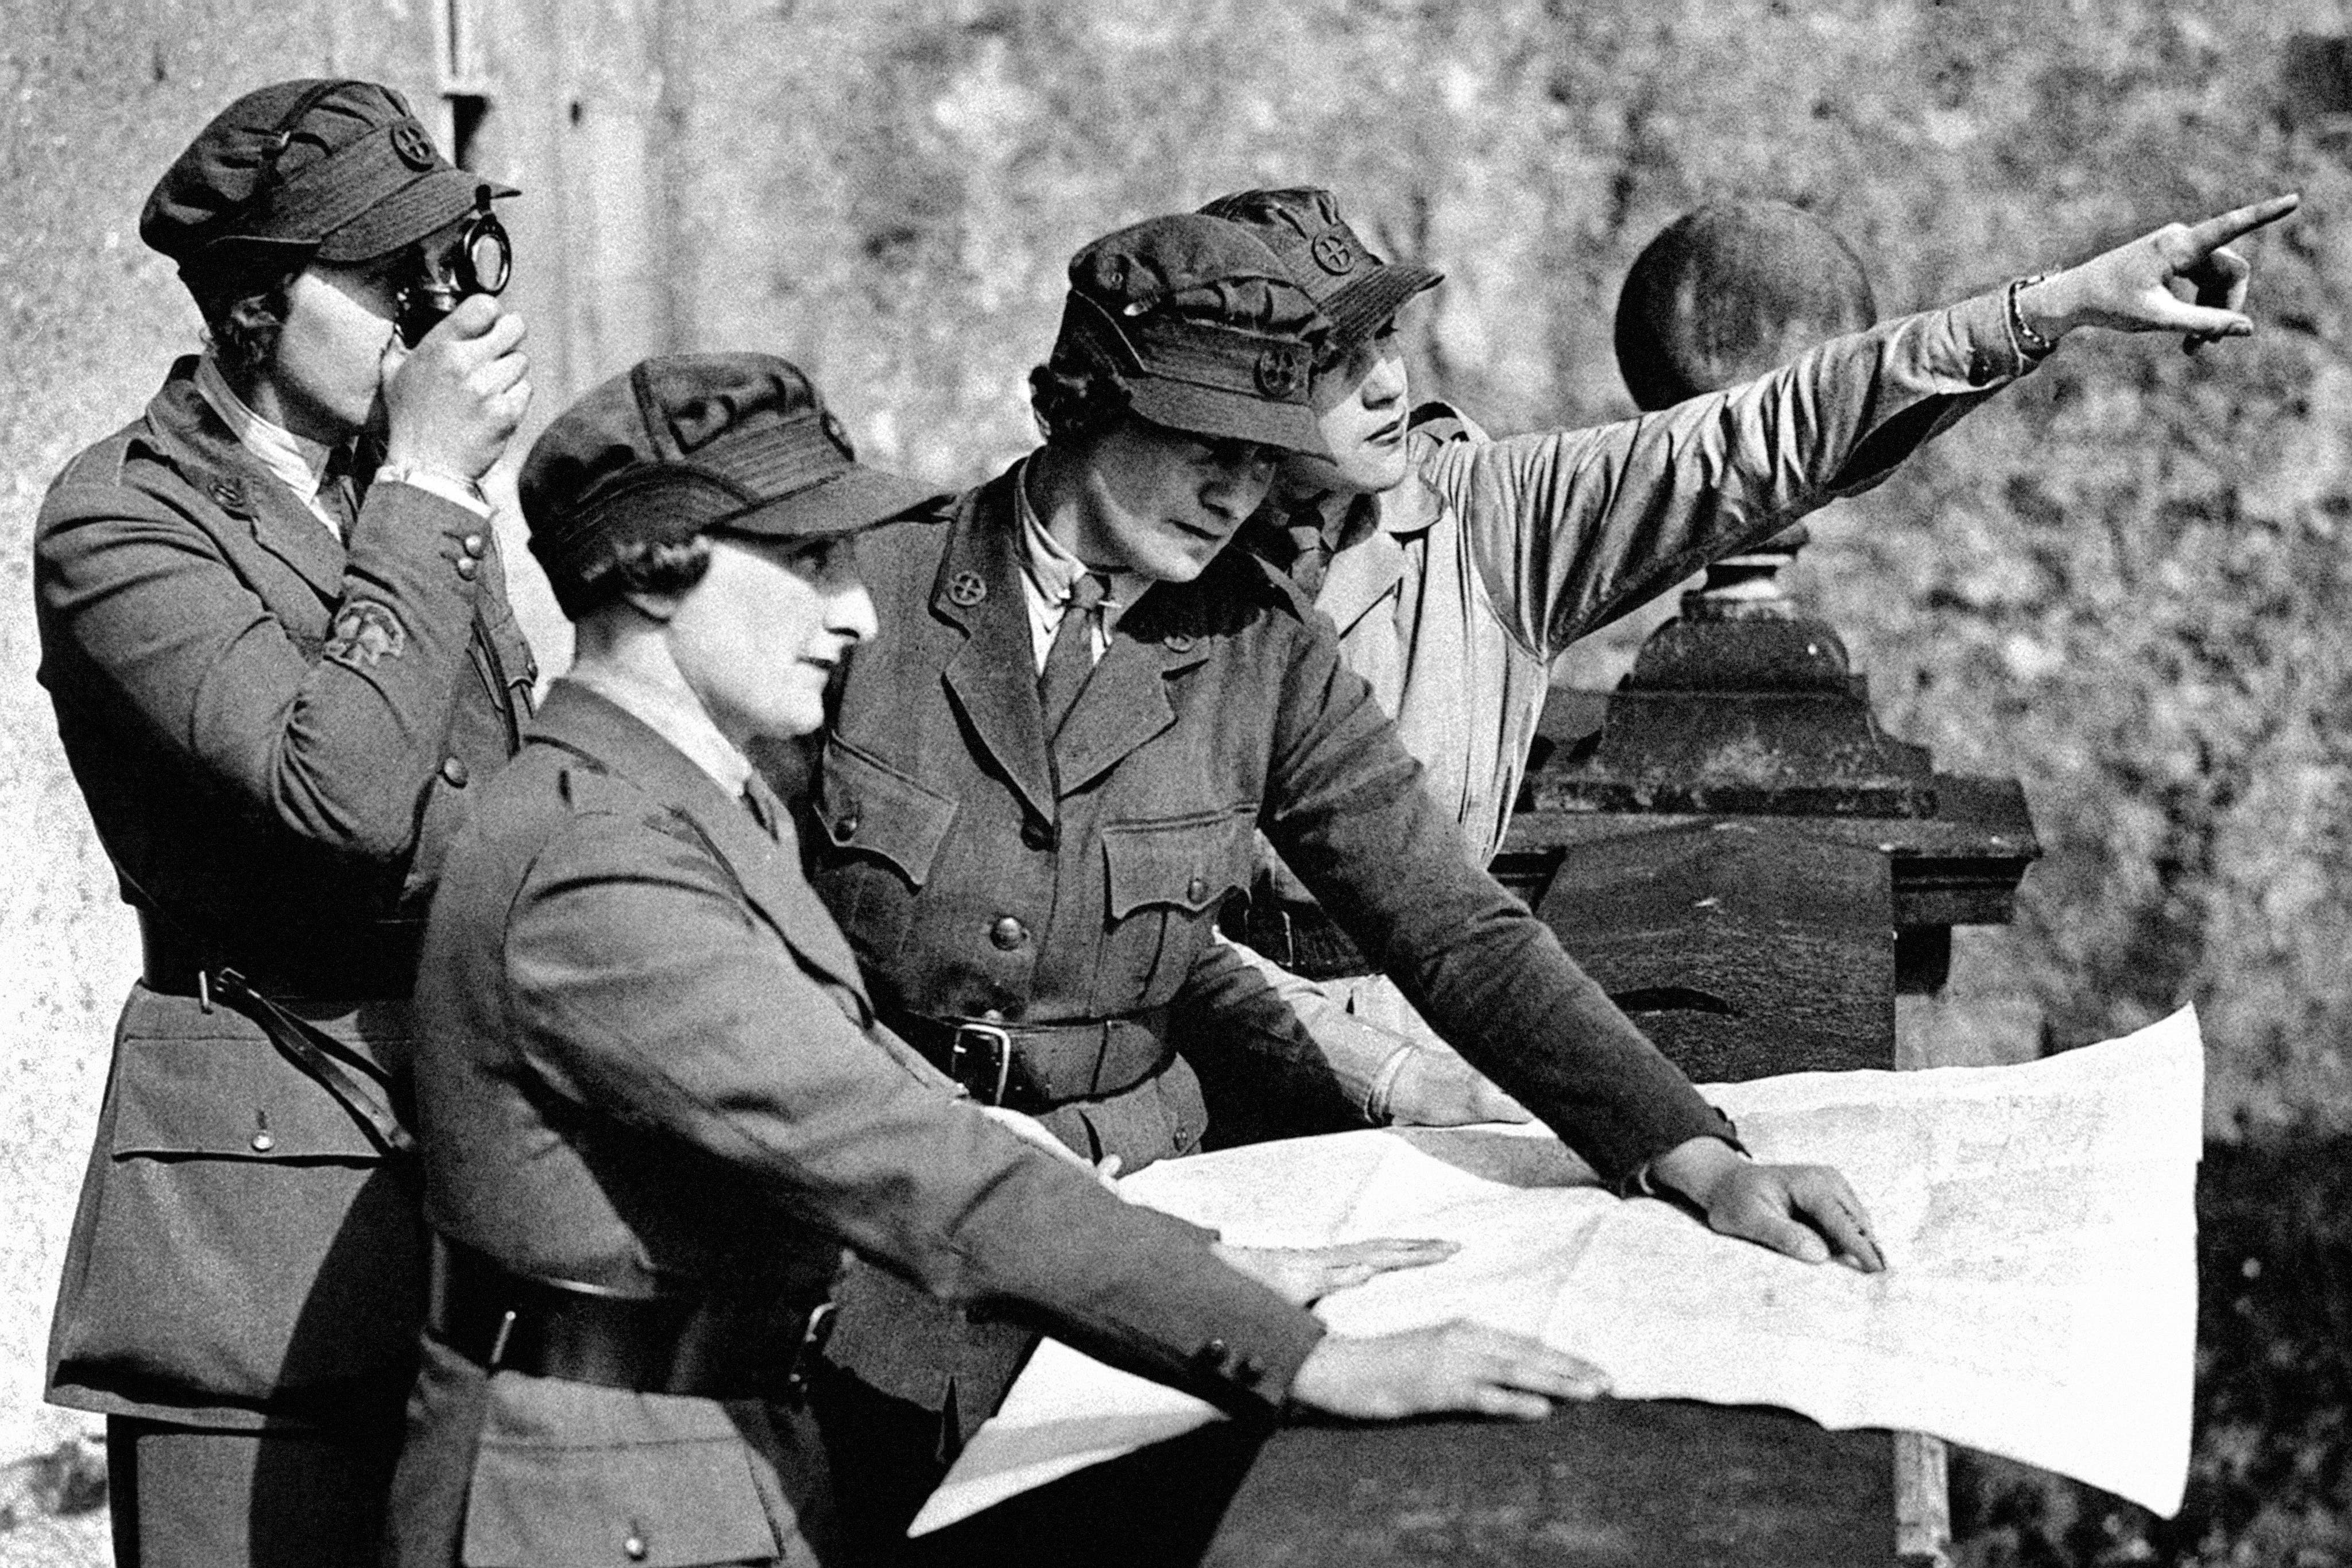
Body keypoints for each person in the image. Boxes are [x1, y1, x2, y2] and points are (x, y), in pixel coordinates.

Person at [384, 352, 1614, 1566]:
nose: (856, 606)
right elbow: (904, 1155)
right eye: (809, 559)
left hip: (690, 1462)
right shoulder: (602, 864)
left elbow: (861, 1068)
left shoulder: (690, 799)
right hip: (586, 1501)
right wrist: (1307, 1359)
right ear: (658, 573)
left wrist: (1192, 1265)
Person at [803, 210, 1890, 1547]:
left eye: (1260, 464)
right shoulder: (867, 596)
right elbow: (757, 951)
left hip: (1154, 1265)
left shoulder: (1254, 644)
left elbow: (1451, 925)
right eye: (1204, 451)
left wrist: (1688, 1154)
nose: (1233, 496)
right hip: (859, 1274)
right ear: (1082, 408)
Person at [1194, 183, 2299, 1130]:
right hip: (1216, 1068)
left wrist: (2055, 307)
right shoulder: (1160, 574)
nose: (1386, 381)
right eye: (1334, 359)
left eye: (1384, 338)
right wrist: (1379, 1074)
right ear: (1234, 391)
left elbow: (1768, 432)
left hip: (1456, 1047)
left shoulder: (1484, 523)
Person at [32, 79, 535, 1565]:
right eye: (388, 281)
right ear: (257, 305)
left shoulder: (393, 494)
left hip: (461, 1160)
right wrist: (438, 481)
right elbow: (347, 796)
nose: (430, 315)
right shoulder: (118, 520)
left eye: (444, 267)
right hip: (254, 1224)